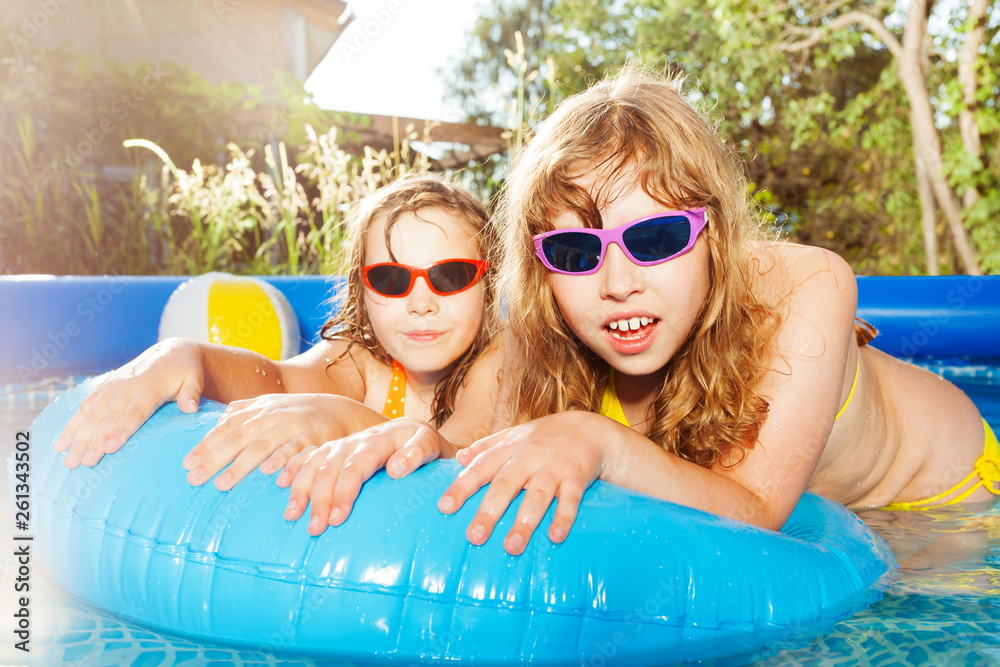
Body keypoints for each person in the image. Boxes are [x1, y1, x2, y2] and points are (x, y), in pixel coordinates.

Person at [433, 67, 1000, 556]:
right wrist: (391, 438)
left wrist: (598, 439)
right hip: (835, 525)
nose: (617, 283)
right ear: (541, 268)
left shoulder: (809, 285)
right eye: (575, 252)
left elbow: (754, 510)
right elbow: (472, 458)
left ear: (715, 234)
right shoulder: (538, 334)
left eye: (656, 239)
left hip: (947, 501)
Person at [55, 175, 501, 536]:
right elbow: (278, 383)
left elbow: (462, 452)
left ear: (493, 281)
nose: (421, 302)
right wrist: (186, 356)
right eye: (389, 279)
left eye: (451, 275)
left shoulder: (504, 358)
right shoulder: (362, 359)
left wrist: (342, 417)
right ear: (361, 293)